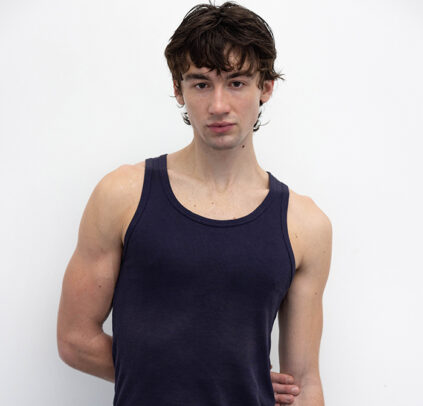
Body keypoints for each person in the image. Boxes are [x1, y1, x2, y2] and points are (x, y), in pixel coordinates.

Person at [57, 1, 332, 405]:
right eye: (201, 84)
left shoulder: (304, 224)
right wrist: (214, 379)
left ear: (266, 87)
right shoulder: (123, 195)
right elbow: (75, 339)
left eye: (236, 82)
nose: (218, 105)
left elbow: (304, 383)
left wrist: (239, 381)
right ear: (178, 89)